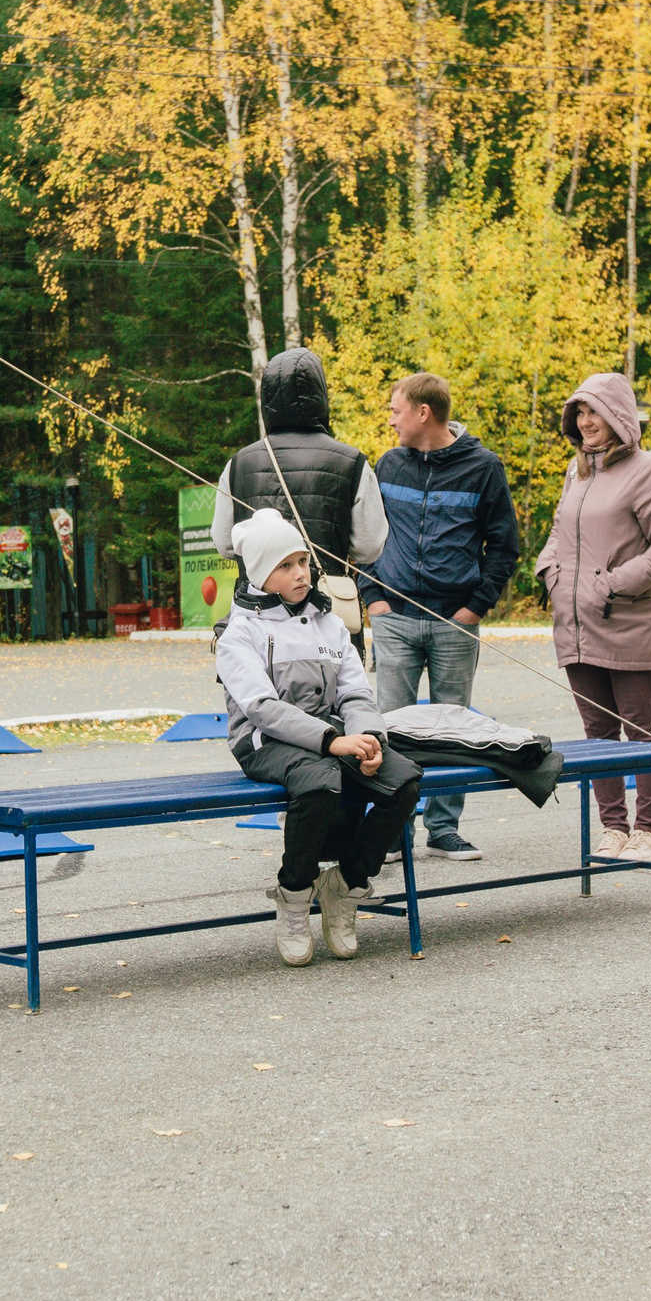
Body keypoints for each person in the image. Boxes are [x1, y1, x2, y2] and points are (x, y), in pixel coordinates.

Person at [217, 508, 421, 966]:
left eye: (303, 561)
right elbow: (262, 709)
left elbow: (355, 693)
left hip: (333, 737)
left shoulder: (329, 621)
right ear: (259, 574)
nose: (300, 573)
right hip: (265, 742)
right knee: (320, 781)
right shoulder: (239, 632)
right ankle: (293, 895)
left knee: (403, 782)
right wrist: (333, 742)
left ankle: (345, 886)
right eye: (285, 565)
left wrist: (368, 739)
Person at [534, 372, 651, 864]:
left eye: (594, 412)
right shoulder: (576, 470)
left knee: (642, 731)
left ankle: (648, 832)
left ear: (618, 416)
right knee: (597, 735)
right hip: (576, 627)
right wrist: (549, 571)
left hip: (630, 624)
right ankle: (613, 828)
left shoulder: (648, 470)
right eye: (579, 413)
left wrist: (613, 583)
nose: (585, 422)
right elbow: (561, 532)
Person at [361, 372, 520, 862]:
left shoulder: (483, 467)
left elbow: (505, 546)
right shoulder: (387, 465)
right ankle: (394, 830)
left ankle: (444, 829)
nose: (391, 420)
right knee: (392, 730)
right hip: (394, 618)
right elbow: (365, 537)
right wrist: (373, 599)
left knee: (454, 728)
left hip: (456, 622)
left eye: (396, 411)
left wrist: (475, 607)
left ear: (423, 413)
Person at [211, 348, 388, 638]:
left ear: (267, 398)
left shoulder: (239, 463)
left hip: (258, 621)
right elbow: (369, 547)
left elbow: (225, 543)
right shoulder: (352, 462)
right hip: (327, 618)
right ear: (320, 395)